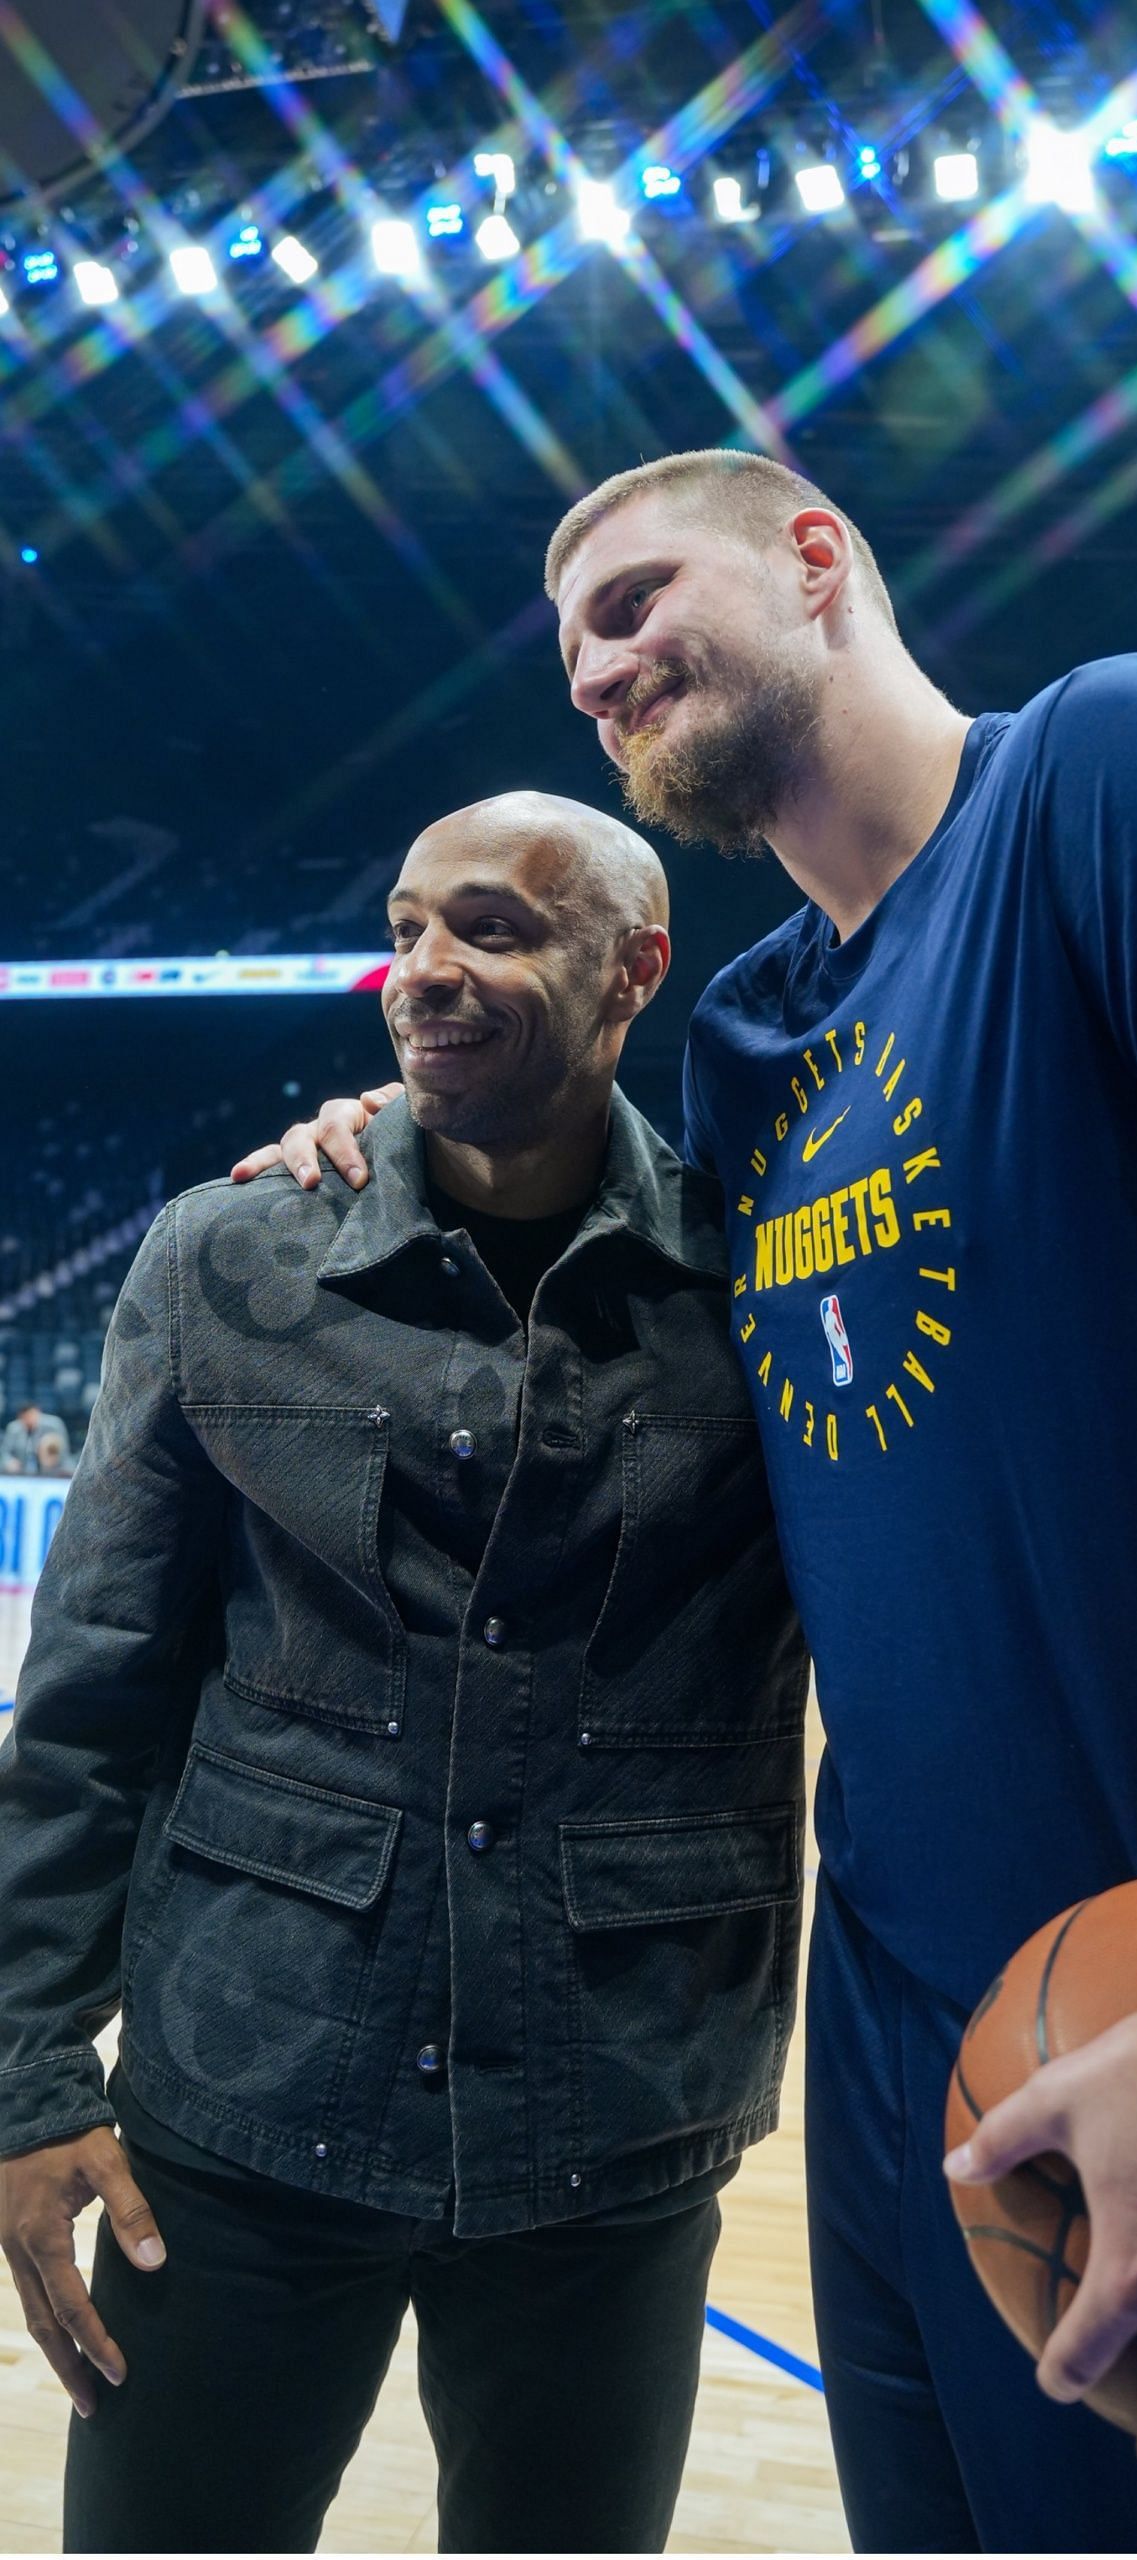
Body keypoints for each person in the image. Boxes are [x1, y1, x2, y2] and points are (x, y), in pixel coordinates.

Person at [239, 449, 1137, 2553]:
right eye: (570, 653)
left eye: (631, 599)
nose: (597, 674)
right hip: (904, 2054)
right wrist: (404, 1128)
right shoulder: (750, 1038)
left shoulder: (1113, 772)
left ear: (815, 557)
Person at [0, 788, 808, 2556]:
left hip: (618, 2117)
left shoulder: (761, 1277)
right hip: (241, 2108)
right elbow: (90, 1702)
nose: (426, 971)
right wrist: (29, 2076)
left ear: (634, 970)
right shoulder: (223, 1260)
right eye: (410, 926)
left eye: (497, 930)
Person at [1, 1399, 71, 1475]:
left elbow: (63, 1450)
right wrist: (9, 1461)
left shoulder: (54, 1425)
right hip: (20, 1470)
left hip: (54, 1468)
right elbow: (5, 1451)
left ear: (38, 1412)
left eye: (31, 1415)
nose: (29, 1419)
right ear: (20, 1417)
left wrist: (50, 1458)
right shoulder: (13, 1428)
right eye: (25, 1417)